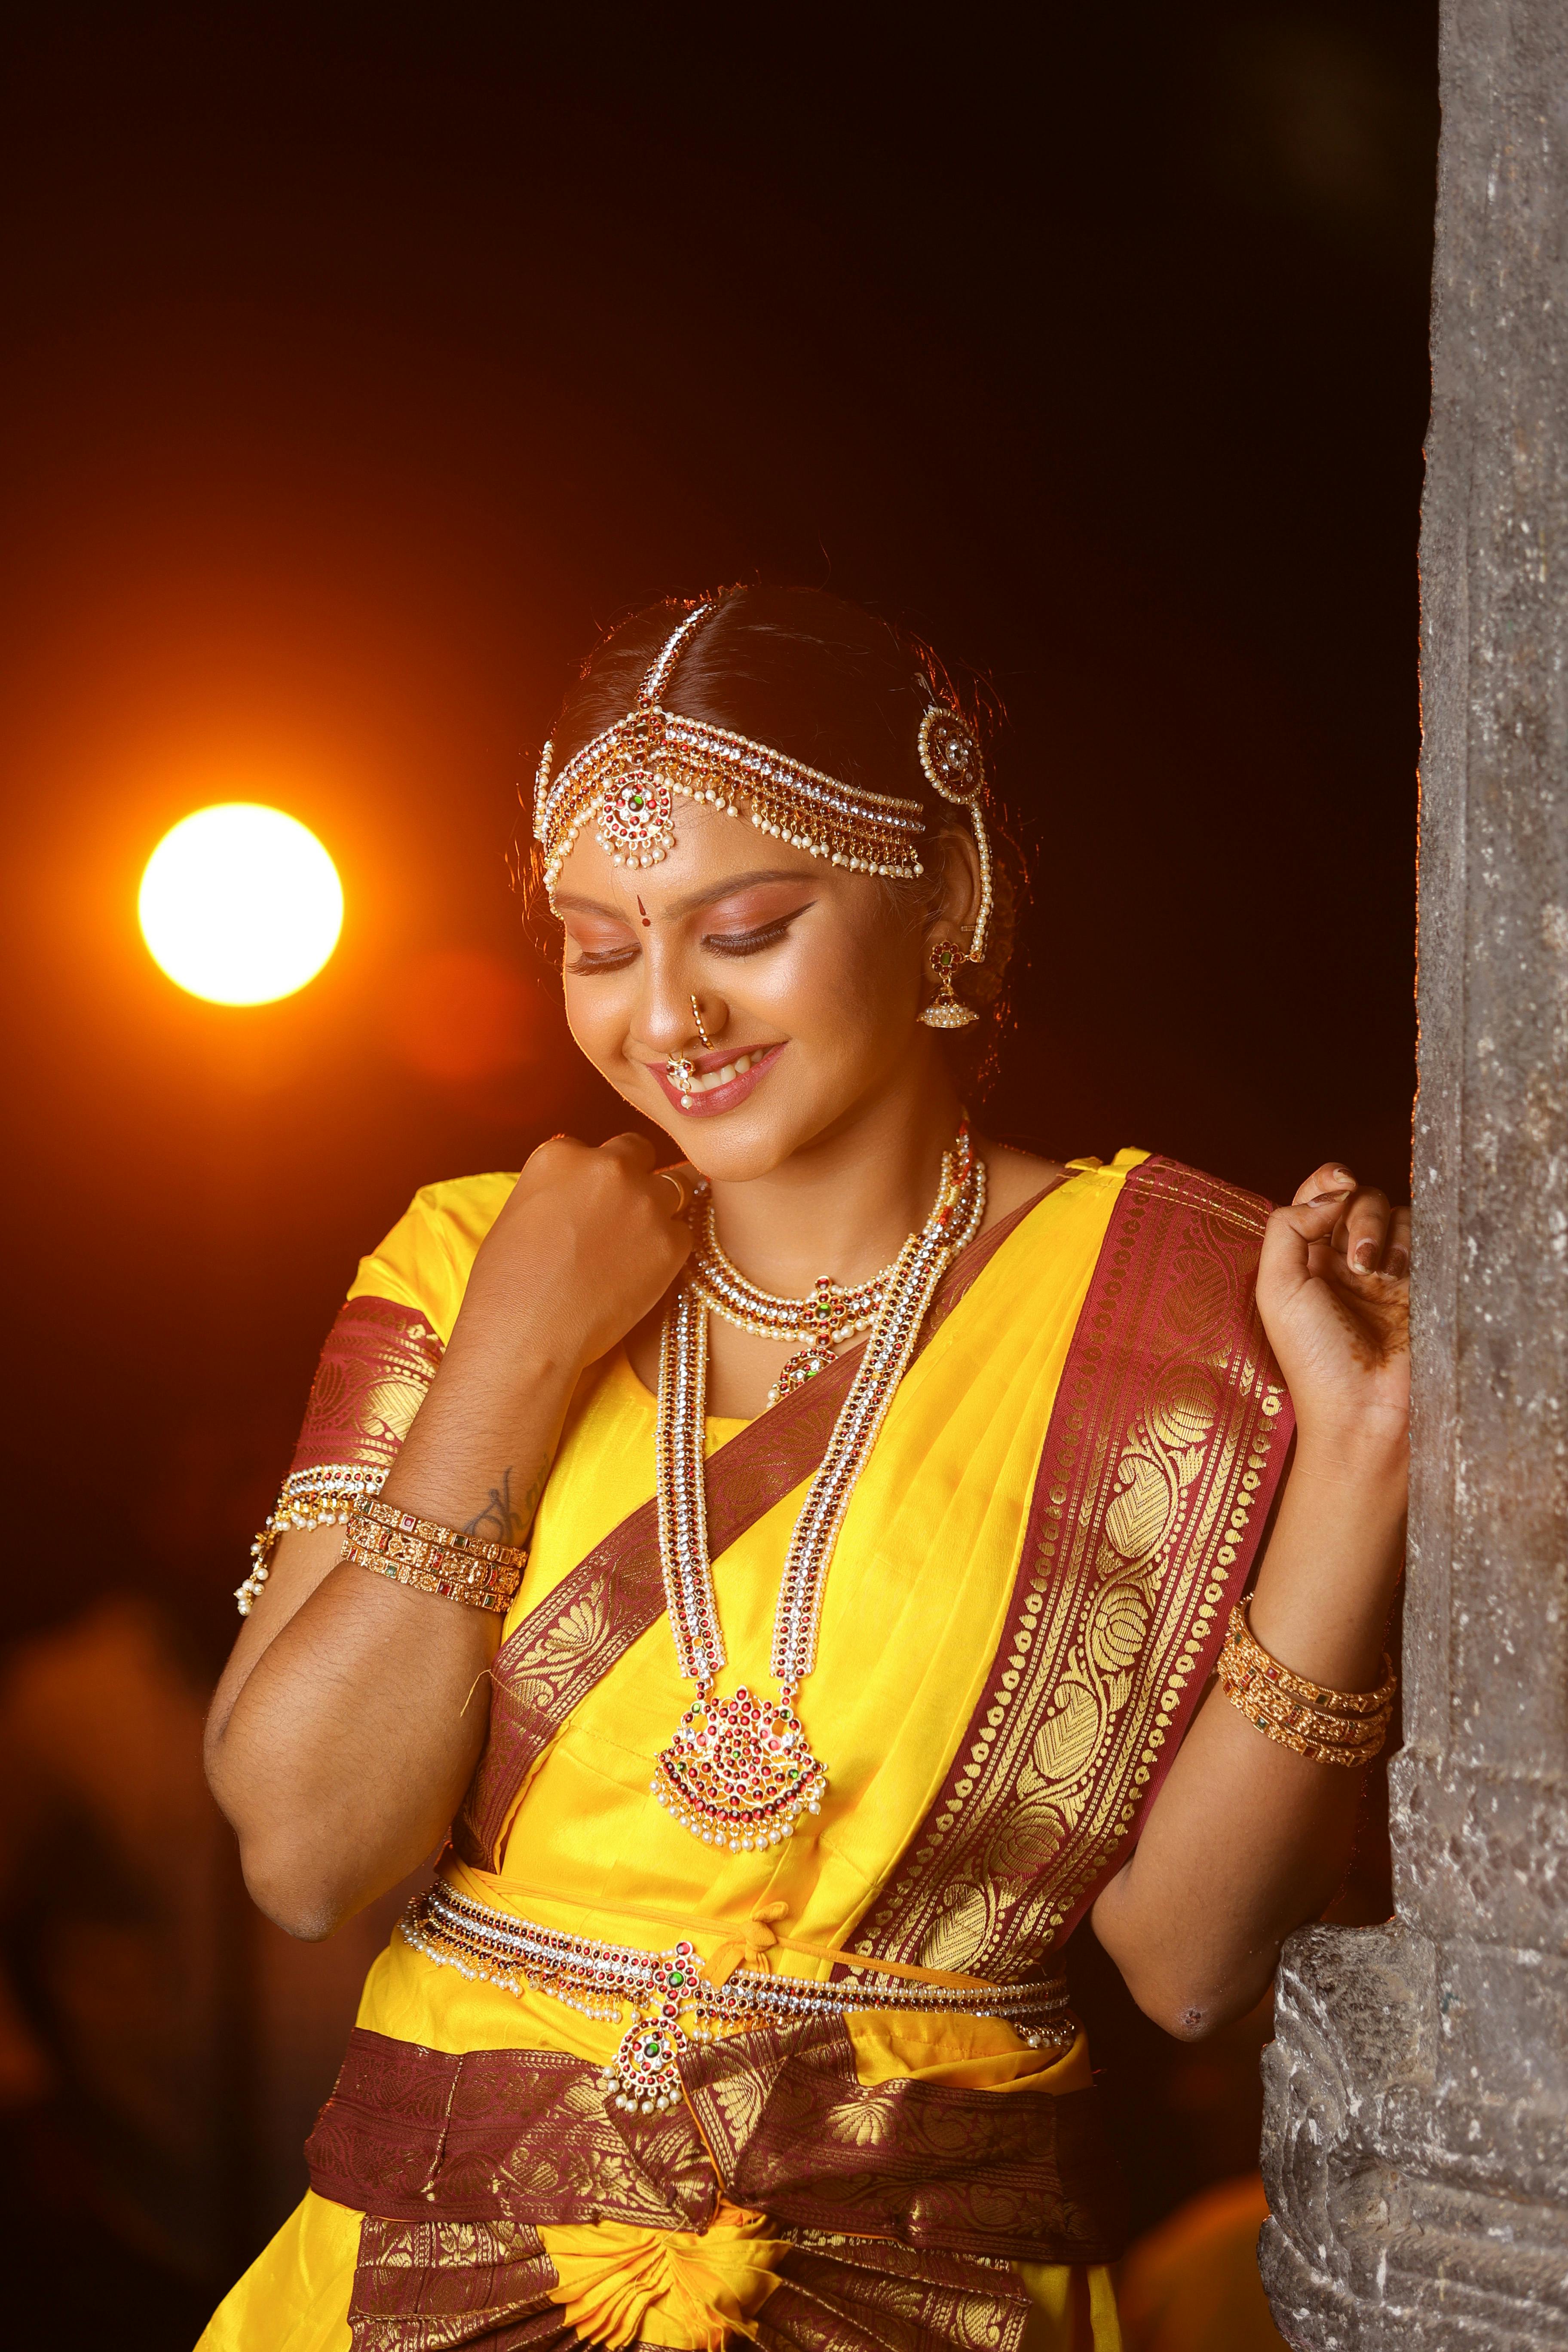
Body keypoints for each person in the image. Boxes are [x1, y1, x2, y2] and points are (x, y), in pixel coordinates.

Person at [198, 587, 1410, 2352]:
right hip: (409, 2281)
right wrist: (525, 1351)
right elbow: (306, 1850)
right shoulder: (474, 1261)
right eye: (600, 949)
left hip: (933, 2289)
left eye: (744, 929)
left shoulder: (1181, 1317)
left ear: (948, 907)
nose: (668, 1015)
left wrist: (1368, 1456)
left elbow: (1191, 1966)